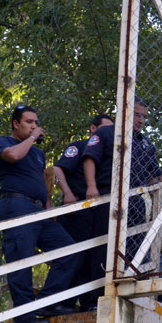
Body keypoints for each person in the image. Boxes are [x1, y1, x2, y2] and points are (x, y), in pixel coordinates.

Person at [0, 105, 77, 323]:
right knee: (21, 260)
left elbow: (41, 182)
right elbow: (13, 156)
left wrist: (48, 206)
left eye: (36, 123)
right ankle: (25, 317)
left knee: (69, 250)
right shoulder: (3, 142)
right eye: (29, 122)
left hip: (39, 210)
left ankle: (45, 303)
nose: (34, 126)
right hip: (16, 206)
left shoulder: (38, 154)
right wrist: (32, 138)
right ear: (16, 124)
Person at [83, 98, 162, 273]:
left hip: (135, 199)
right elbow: (90, 157)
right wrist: (91, 186)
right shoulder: (106, 132)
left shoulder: (145, 143)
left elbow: (153, 176)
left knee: (135, 244)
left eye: (144, 117)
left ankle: (131, 275)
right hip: (108, 196)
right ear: (124, 112)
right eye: (137, 115)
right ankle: (99, 285)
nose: (141, 120)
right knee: (104, 245)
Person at [53, 114, 114, 311]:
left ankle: (89, 301)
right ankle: (62, 303)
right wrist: (67, 193)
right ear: (93, 129)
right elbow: (57, 170)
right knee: (73, 255)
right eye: (105, 128)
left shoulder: (110, 153)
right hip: (76, 209)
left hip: (96, 212)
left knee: (93, 257)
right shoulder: (79, 146)